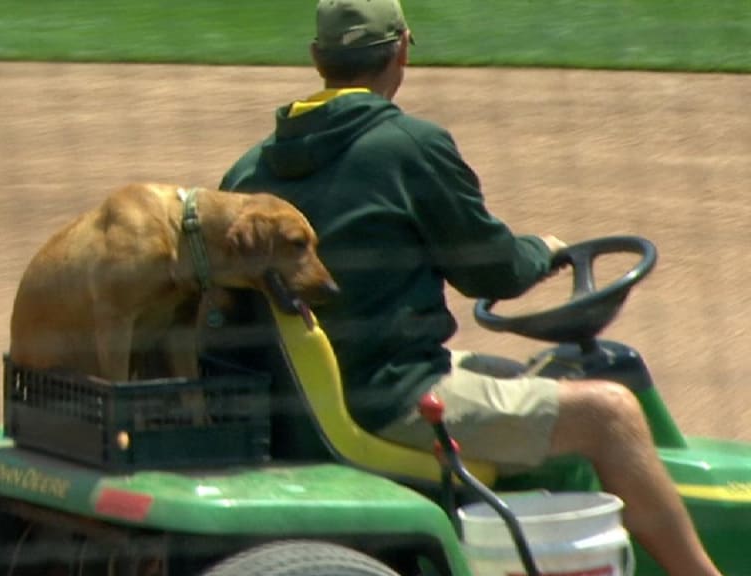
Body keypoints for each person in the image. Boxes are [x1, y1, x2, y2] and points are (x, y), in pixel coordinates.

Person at [218, 1, 723, 574]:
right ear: (403, 49)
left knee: (508, 372)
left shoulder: (248, 170)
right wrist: (543, 251)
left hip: (308, 393)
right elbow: (493, 272)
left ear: (317, 58)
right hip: (390, 396)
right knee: (611, 413)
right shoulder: (409, 146)